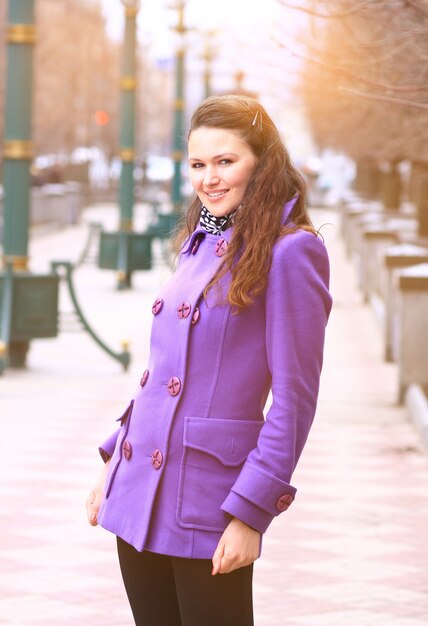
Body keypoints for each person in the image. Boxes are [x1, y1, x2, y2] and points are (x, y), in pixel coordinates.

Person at [86, 94, 332, 626]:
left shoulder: (292, 252)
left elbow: (294, 401)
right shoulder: (199, 242)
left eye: (226, 161)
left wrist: (251, 513)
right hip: (141, 490)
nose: (209, 179)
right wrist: (114, 462)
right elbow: (162, 373)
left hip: (210, 503)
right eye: (198, 164)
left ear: (262, 163)